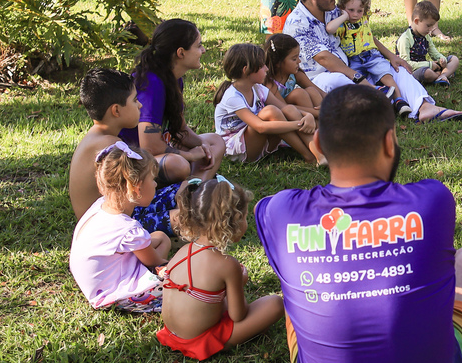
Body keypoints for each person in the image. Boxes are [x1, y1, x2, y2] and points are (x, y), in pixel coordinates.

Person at [255, 85, 462, 363]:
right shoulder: (433, 200)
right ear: (390, 142)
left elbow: (264, 207)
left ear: (316, 147)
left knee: (297, 286)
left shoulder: (279, 212)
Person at [283, 0, 462, 123]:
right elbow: (324, 59)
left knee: (396, 68)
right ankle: (379, 101)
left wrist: (391, 56)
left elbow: (363, 34)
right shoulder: (297, 23)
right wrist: (358, 79)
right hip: (322, 80)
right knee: (336, 80)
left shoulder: (333, 11)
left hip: (355, 67)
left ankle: (424, 107)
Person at [156, 177, 285, 361]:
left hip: (172, 333)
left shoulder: (183, 251)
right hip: (199, 340)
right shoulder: (227, 264)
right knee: (275, 304)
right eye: (245, 217)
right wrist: (240, 280)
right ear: (235, 220)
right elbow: (238, 315)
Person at [69, 68, 188, 234]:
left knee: (185, 188)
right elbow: (139, 192)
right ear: (116, 110)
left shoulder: (96, 137)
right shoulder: (112, 147)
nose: (140, 105)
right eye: (135, 100)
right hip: (109, 227)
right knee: (184, 217)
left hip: (110, 216)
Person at [69, 141, 170, 312]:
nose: (154, 184)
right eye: (152, 180)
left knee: (160, 237)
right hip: (113, 296)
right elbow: (157, 262)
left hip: (99, 284)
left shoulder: (100, 206)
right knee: (181, 277)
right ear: (136, 187)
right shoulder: (128, 230)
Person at [121, 19, 226, 183]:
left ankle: (197, 187)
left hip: (156, 152)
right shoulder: (152, 85)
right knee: (178, 164)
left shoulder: (174, 79)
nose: (203, 50)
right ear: (181, 52)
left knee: (215, 141)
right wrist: (190, 155)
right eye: (198, 46)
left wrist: (204, 146)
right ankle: (193, 191)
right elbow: (149, 147)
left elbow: (181, 130)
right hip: (130, 161)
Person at [214, 44, 318, 164]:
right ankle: (309, 156)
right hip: (238, 151)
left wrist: (307, 115)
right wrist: (300, 124)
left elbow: (285, 108)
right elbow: (260, 127)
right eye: (262, 66)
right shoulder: (232, 97)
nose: (267, 69)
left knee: (286, 110)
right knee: (270, 112)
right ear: (246, 70)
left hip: (258, 142)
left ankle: (317, 153)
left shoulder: (258, 88)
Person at [326, 0, 414, 118]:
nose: (355, 14)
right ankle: (380, 101)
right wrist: (344, 15)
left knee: (385, 76)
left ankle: (399, 101)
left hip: (371, 55)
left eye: (359, 10)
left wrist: (357, 2)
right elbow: (329, 29)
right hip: (353, 60)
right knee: (358, 84)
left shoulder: (364, 18)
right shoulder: (341, 24)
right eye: (351, 10)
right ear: (343, 8)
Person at [395, 1, 460, 86]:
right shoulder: (405, 39)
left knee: (454, 59)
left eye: (433, 26)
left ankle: (442, 75)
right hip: (412, 71)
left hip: (428, 66)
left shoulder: (425, 36)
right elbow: (405, 63)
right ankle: (442, 75)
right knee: (427, 73)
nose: (431, 29)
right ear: (416, 21)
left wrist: (442, 59)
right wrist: (429, 65)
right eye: (428, 26)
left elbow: (434, 52)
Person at [264, 33, 324, 119]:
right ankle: (318, 125)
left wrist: (332, 104)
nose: (299, 61)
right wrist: (317, 112)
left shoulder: (295, 74)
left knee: (312, 91)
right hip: (281, 115)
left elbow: (319, 91)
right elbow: (284, 108)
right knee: (299, 94)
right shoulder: (270, 83)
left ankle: (324, 122)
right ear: (277, 62)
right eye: (294, 59)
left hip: (300, 110)